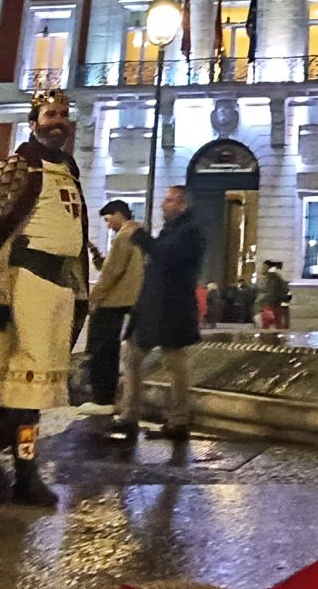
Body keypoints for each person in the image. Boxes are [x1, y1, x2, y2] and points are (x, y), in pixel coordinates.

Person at [0, 87, 84, 506]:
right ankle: (25, 473)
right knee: (23, 392)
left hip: (56, 285)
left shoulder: (68, 167)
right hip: (25, 281)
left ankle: (22, 469)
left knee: (36, 393)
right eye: (51, 114)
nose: (59, 121)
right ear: (34, 123)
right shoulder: (23, 162)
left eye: (65, 114)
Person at [110, 185, 203, 443]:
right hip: (153, 309)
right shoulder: (173, 230)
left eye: (169, 200)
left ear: (182, 204)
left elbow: (167, 255)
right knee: (131, 357)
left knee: (175, 365)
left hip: (172, 309)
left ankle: (178, 420)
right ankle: (129, 413)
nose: (163, 205)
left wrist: (138, 235)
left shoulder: (190, 232)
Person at [81, 200, 144, 414]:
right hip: (133, 298)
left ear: (119, 214)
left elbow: (112, 272)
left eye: (108, 220)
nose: (108, 225)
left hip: (115, 299)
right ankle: (113, 399)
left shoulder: (124, 236)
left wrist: (95, 298)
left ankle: (103, 399)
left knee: (103, 348)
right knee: (121, 349)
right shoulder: (140, 234)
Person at [256, 260, 290, 330]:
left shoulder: (272, 278)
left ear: (268, 268)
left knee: (267, 323)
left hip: (272, 304)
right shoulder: (274, 277)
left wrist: (265, 301)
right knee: (277, 323)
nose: (261, 269)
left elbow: (271, 292)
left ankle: (267, 338)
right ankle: (277, 337)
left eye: (264, 267)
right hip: (275, 304)